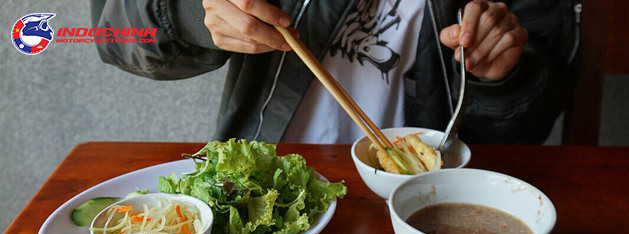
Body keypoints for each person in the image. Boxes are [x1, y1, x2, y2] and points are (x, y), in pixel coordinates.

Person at [91, 0, 578, 144]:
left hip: (419, 203)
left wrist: (500, 79)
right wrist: (185, 13)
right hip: (269, 188)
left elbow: (534, 122)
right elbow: (109, 35)